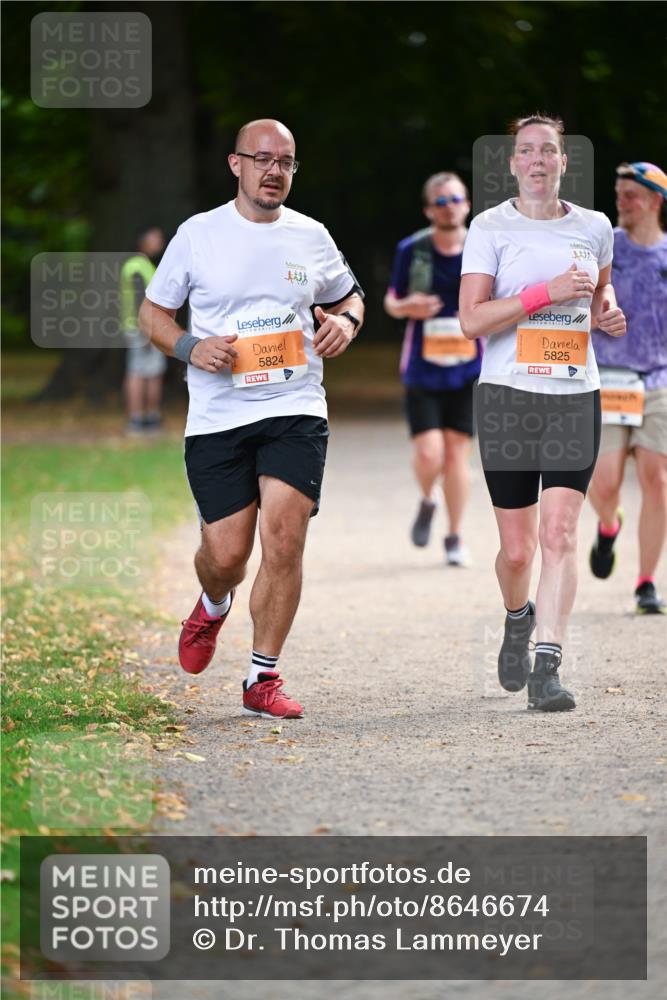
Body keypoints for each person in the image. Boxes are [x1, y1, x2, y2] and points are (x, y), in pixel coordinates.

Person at [138, 119, 364, 719]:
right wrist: (190, 348)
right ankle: (213, 604)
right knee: (228, 554)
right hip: (218, 413)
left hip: (294, 406)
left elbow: (349, 295)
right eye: (263, 159)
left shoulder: (311, 235)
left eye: (286, 162)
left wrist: (346, 322)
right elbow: (153, 313)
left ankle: (262, 677)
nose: (275, 172)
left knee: (284, 539)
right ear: (235, 164)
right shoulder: (199, 234)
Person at [459, 113, 626, 712]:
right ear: (511, 164)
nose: (536, 160)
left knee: (559, 534)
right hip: (507, 397)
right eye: (525, 151)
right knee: (518, 551)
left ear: (563, 162)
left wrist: (607, 311)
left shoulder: (595, 226)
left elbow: (601, 292)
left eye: (547, 151)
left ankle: (548, 667)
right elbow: (471, 319)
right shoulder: (489, 227)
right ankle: (516, 616)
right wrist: (542, 294)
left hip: (574, 396)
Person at [384, 173, 481, 565]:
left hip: (468, 368)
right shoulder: (413, 249)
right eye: (440, 201)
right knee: (429, 455)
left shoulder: (482, 249)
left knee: (457, 454)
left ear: (468, 204)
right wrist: (410, 307)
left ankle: (455, 537)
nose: (449, 206)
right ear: (429, 209)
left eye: (455, 199)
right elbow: (391, 301)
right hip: (423, 368)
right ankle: (428, 498)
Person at [588, 161, 667, 614]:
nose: (622, 201)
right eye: (618, 194)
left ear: (656, 199)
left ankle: (646, 582)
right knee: (605, 483)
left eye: (631, 195)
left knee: (656, 480)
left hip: (657, 380)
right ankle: (608, 524)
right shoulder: (605, 248)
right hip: (608, 380)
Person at [121, 227, 168, 434]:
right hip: (142, 328)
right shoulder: (138, 267)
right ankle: (139, 418)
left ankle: (146, 417)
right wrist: (148, 330)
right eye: (154, 238)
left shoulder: (140, 265)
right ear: (142, 241)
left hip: (137, 327)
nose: (160, 242)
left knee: (147, 371)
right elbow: (141, 300)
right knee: (141, 372)